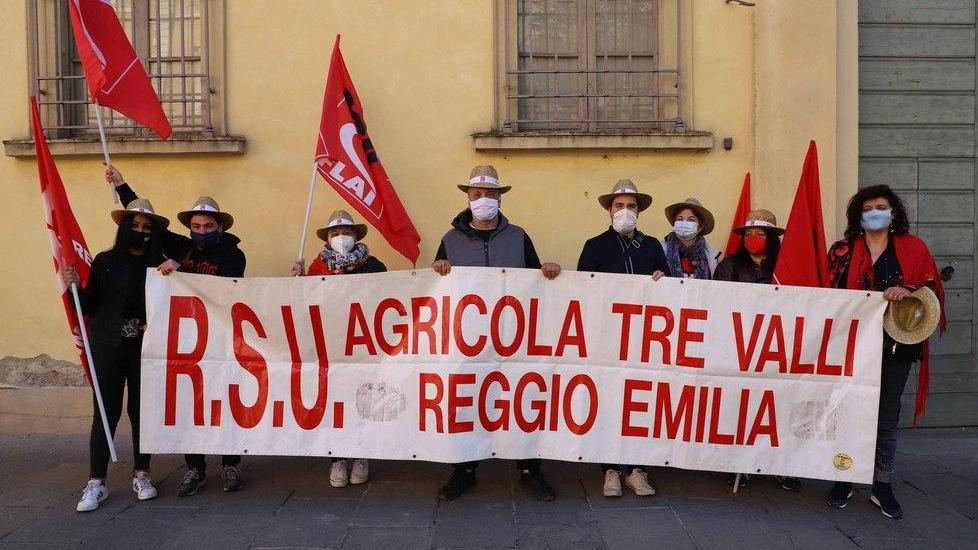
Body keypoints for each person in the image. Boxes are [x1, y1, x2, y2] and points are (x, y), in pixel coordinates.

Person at [432, 165, 561, 502]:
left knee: (521, 400)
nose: (484, 200)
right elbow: (435, 285)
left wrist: (548, 270)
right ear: (468, 198)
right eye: (478, 195)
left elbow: (537, 279)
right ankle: (465, 470)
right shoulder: (450, 240)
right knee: (468, 401)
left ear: (500, 199)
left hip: (513, 338)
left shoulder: (518, 236)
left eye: (491, 195)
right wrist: (439, 268)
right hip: (468, 339)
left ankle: (530, 469)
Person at [824, 185, 946, 519]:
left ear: (893, 212)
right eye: (868, 208)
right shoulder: (841, 251)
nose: (875, 212)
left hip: (897, 346)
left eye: (882, 206)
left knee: (887, 418)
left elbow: (931, 288)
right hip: (850, 346)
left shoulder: (913, 248)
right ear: (858, 216)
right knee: (846, 411)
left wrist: (906, 289)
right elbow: (825, 294)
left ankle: (882, 485)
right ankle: (844, 477)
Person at [63, 199, 170, 512]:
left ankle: (142, 474)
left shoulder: (159, 265)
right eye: (134, 225)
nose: (139, 231)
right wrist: (74, 291)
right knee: (105, 414)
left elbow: (173, 304)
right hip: (107, 345)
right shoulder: (105, 261)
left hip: (144, 347)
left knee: (141, 412)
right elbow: (90, 305)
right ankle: (96, 482)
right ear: (124, 228)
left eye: (145, 227)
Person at [577, 178, 667, 498]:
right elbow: (584, 291)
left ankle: (637, 469)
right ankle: (611, 469)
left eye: (631, 206)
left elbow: (670, 292)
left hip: (645, 340)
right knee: (610, 401)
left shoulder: (654, 246)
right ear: (609, 211)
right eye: (619, 206)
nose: (625, 211)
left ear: (639, 211)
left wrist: (662, 279)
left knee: (641, 403)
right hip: (609, 339)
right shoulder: (594, 246)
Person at [292, 210, 387, 487]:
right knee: (335, 402)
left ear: (356, 236)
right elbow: (305, 304)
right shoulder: (317, 269)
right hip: (330, 347)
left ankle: (361, 455)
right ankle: (337, 459)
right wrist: (298, 282)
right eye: (335, 233)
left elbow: (388, 296)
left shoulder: (374, 266)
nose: (341, 237)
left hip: (363, 346)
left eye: (346, 232)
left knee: (361, 400)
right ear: (328, 238)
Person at [713, 209, 800, 493]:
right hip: (741, 346)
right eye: (748, 234)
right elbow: (720, 305)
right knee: (743, 406)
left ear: (772, 238)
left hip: (779, 347)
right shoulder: (729, 266)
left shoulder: (787, 266)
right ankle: (742, 464)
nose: (752, 238)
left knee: (777, 407)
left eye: (759, 233)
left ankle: (780, 465)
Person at [165, 196, 248, 496]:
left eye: (208, 225)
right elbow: (146, 224)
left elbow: (222, 288)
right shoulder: (181, 248)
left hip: (221, 339)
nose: (201, 230)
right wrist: (121, 186)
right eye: (196, 226)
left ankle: (230, 463)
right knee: (190, 401)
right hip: (187, 339)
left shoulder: (234, 255)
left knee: (224, 400)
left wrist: (181, 273)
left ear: (220, 226)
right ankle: (195, 467)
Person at [662, 198, 722, 279]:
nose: (684, 223)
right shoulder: (660, 249)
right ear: (674, 224)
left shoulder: (712, 255)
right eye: (680, 219)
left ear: (700, 227)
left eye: (691, 220)